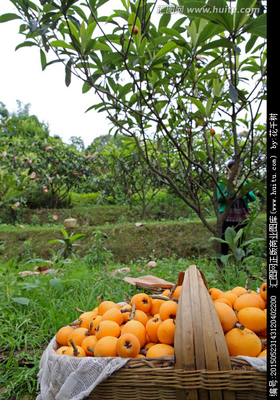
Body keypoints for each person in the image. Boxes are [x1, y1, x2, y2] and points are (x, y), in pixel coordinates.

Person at [217, 160, 256, 255]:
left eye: (237, 170)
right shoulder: (222, 182)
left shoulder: (242, 182)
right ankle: (223, 263)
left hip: (240, 215)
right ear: (228, 170)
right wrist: (233, 192)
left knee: (241, 239)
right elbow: (219, 199)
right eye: (233, 169)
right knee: (225, 239)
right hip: (227, 215)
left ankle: (241, 262)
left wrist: (244, 191)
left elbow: (253, 197)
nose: (236, 172)